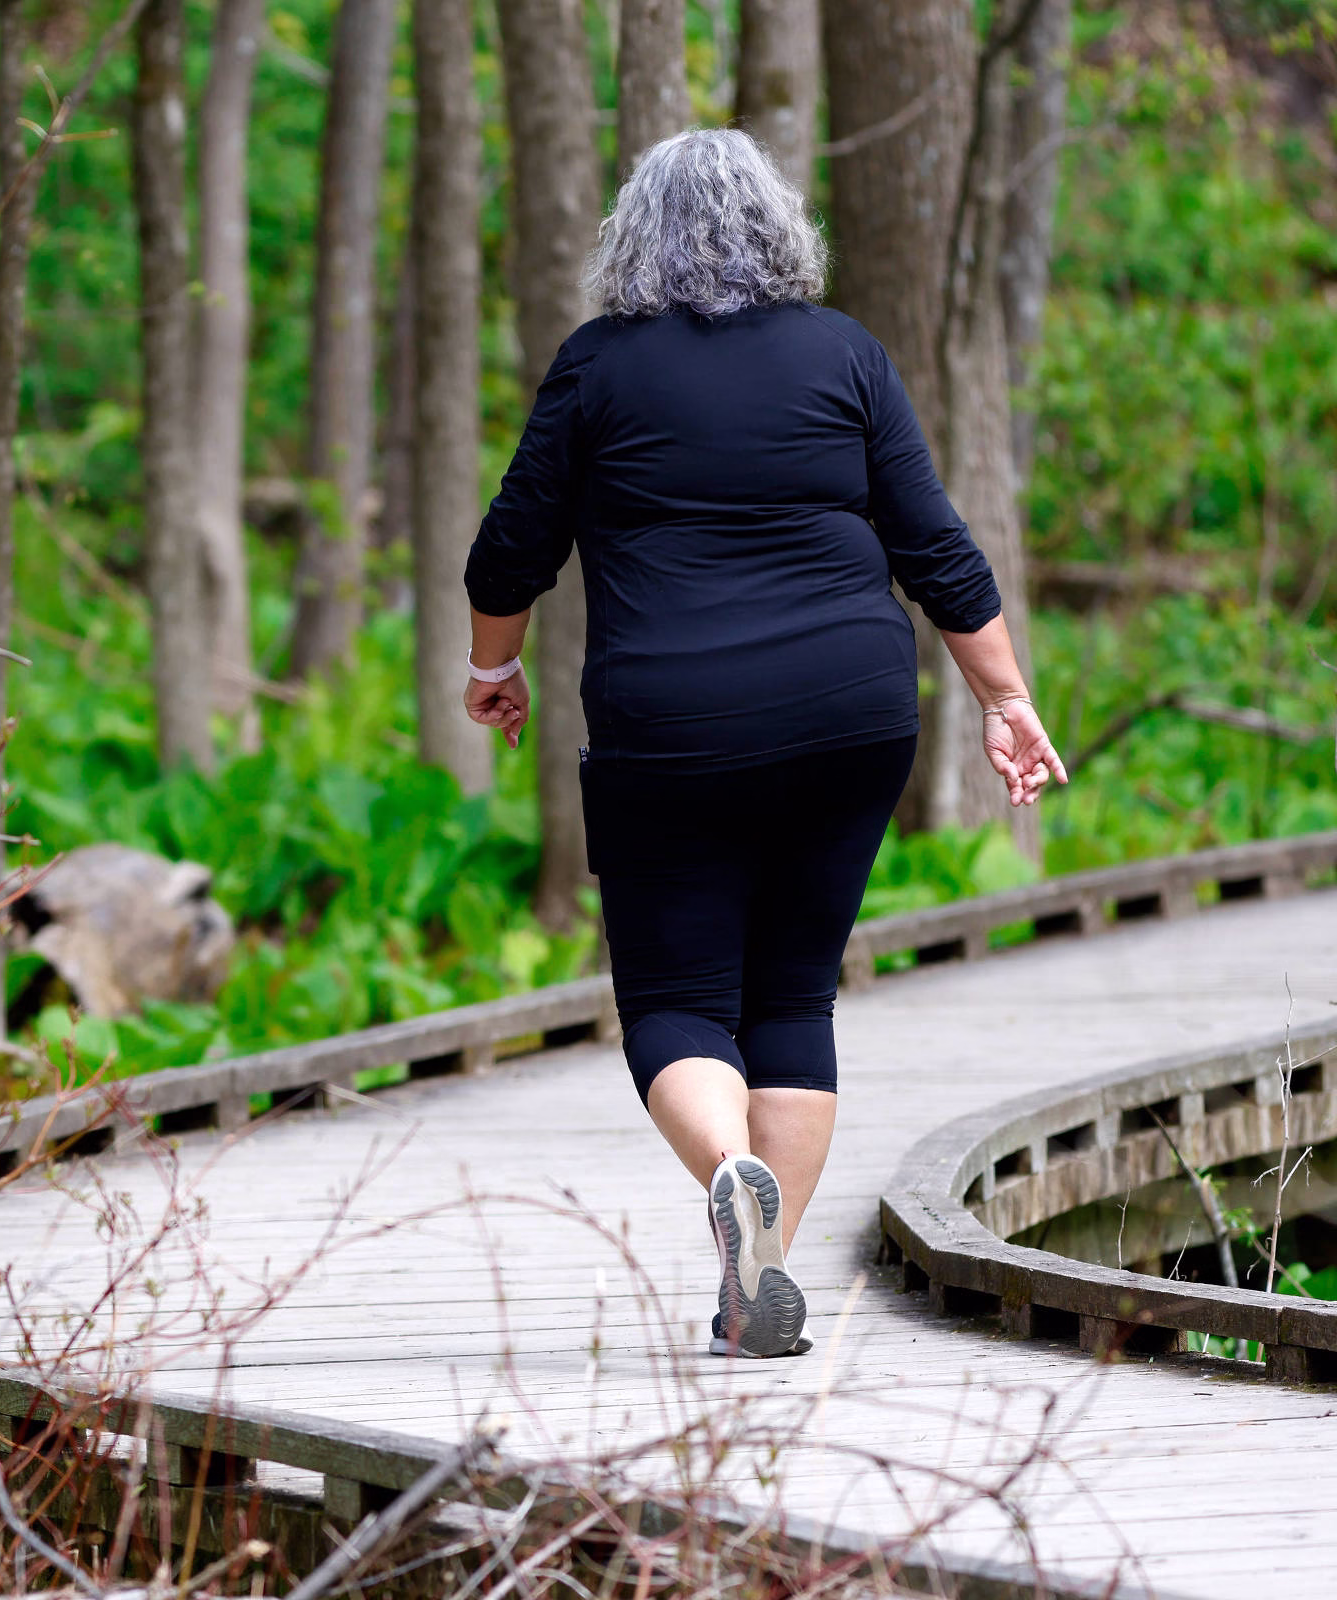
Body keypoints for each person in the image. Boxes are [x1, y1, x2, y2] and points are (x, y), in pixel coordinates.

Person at [458, 128, 1069, 1359]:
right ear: (781, 229)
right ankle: (760, 1287)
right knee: (793, 987)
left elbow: (508, 552)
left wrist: (493, 665)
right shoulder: (843, 354)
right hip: (850, 711)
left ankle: (737, 1178)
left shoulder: (598, 367)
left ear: (633, 234)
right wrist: (1004, 698)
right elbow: (936, 547)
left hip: (670, 721)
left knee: (680, 998)